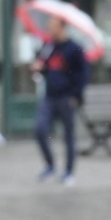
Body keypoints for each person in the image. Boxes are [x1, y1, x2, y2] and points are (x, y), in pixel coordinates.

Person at [31, 16, 90, 186]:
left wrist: (75, 95)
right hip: (50, 95)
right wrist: (38, 68)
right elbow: (45, 68)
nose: (50, 30)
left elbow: (84, 74)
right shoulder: (49, 47)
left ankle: (69, 172)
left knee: (68, 135)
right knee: (40, 129)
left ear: (62, 27)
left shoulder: (74, 48)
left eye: (53, 26)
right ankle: (50, 165)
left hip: (66, 97)